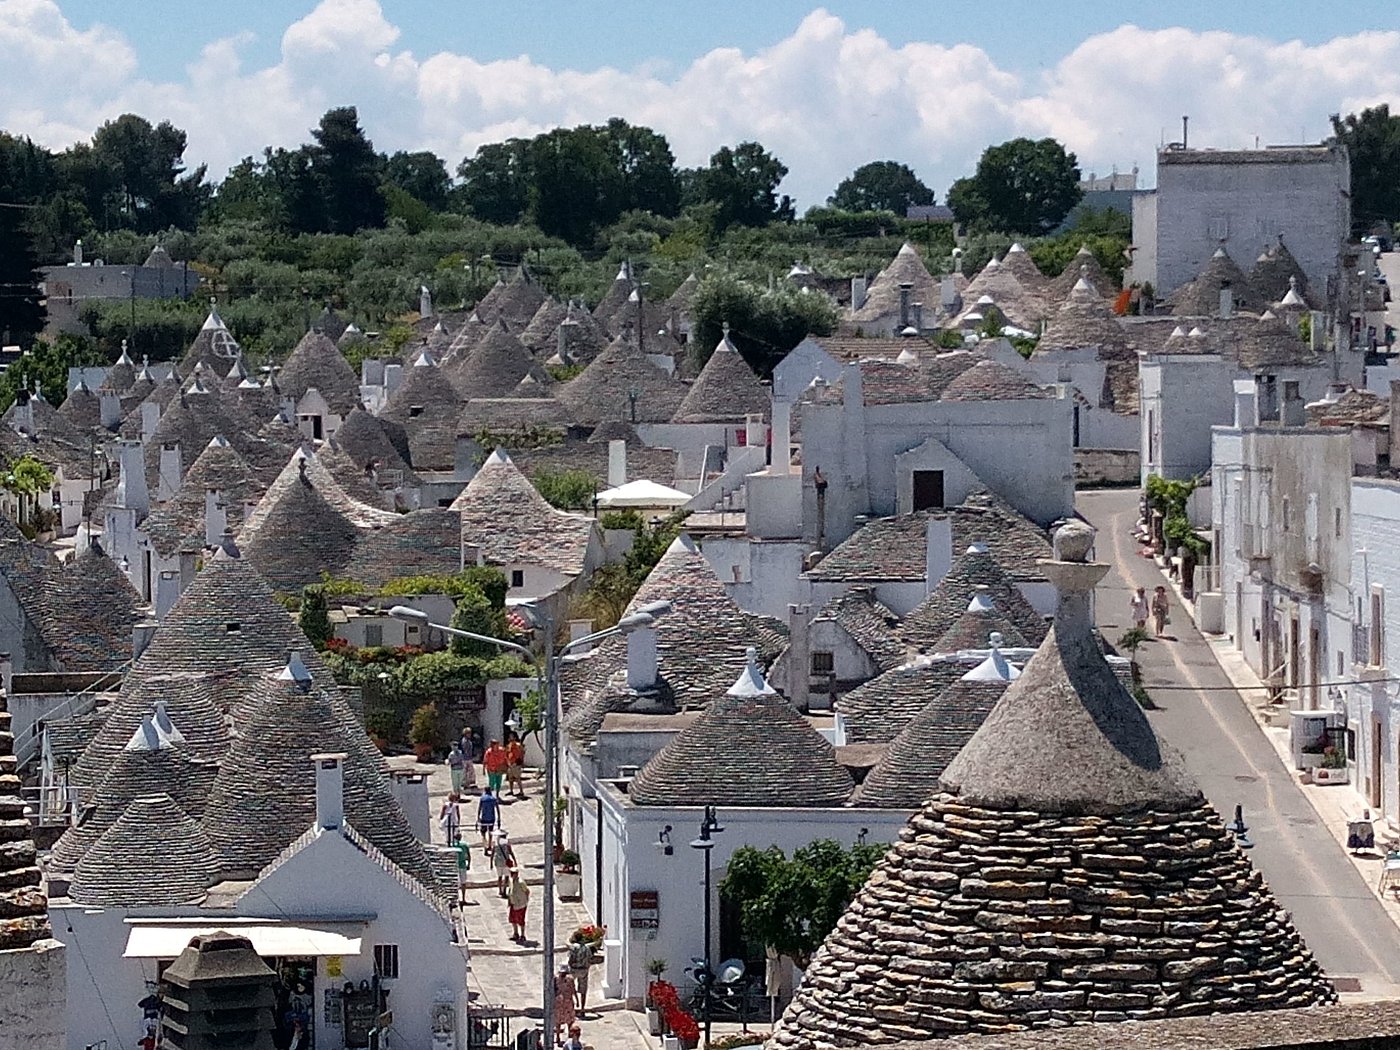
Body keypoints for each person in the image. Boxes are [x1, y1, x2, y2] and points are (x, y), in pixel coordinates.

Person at [568, 936, 594, 1012]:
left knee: (570, 988)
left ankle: (571, 1006)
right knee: (583, 990)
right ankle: (582, 1008)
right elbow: (590, 958)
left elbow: (570, 959)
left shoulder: (573, 947)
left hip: (574, 970)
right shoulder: (587, 948)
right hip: (583, 970)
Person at [553, 964, 577, 1039]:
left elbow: (553, 990)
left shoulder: (556, 978)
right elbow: (573, 990)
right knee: (569, 1020)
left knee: (558, 1021)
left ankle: (558, 1036)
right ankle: (569, 1035)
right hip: (568, 1001)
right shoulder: (570, 979)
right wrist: (577, 1000)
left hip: (559, 1001)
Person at [507, 868, 530, 943]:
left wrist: (525, 900)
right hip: (513, 904)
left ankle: (522, 935)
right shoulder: (511, 881)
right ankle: (515, 933)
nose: (512, 874)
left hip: (521, 904)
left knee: (521, 920)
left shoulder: (521, 882)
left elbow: (527, 891)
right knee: (513, 919)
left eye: (513, 873)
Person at [492, 829, 517, 897]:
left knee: (499, 877)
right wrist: (514, 860)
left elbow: (493, 853)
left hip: (498, 862)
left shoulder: (496, 843)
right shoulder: (506, 843)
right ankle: (504, 890)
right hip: (505, 862)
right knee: (506, 877)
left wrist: (491, 863)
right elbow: (510, 852)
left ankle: (500, 890)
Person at [505, 735, 526, 799]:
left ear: (514, 738)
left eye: (512, 738)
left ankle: (521, 791)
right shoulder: (509, 746)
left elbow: (522, 753)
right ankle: (511, 790)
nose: (511, 739)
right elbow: (507, 753)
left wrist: (521, 762)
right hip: (510, 764)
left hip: (516, 764)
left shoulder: (518, 745)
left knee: (517, 778)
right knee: (510, 778)